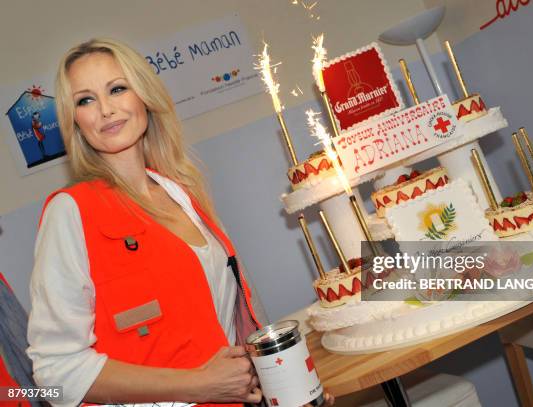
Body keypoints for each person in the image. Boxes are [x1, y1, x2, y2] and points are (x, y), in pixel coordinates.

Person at [27, 38, 333, 407]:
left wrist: (283, 389)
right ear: (74, 120)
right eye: (85, 100)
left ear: (143, 96)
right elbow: (56, 372)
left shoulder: (181, 193)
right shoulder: (71, 211)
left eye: (117, 89)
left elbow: (226, 326)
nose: (105, 109)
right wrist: (198, 385)